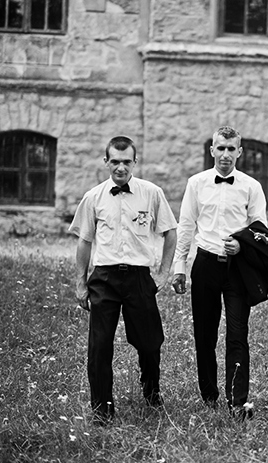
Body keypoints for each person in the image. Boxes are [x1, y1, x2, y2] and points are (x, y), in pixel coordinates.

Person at [69, 135, 177, 426]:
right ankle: (102, 408)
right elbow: (84, 242)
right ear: (106, 162)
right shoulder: (93, 197)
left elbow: (170, 232)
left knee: (150, 342)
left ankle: (151, 392)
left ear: (135, 162)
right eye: (114, 161)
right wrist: (81, 283)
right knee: (100, 345)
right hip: (104, 278)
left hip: (140, 277)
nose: (120, 167)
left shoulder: (152, 193)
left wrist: (164, 272)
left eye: (126, 161)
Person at [172, 126, 268, 422]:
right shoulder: (196, 183)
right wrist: (179, 267)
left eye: (231, 149)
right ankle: (209, 394)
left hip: (237, 268)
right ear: (212, 150)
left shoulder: (251, 186)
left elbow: (260, 229)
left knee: (238, 334)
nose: (225, 154)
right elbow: (186, 225)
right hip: (205, 264)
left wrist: (242, 243)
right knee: (204, 333)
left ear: (240, 152)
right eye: (220, 148)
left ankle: (237, 401)